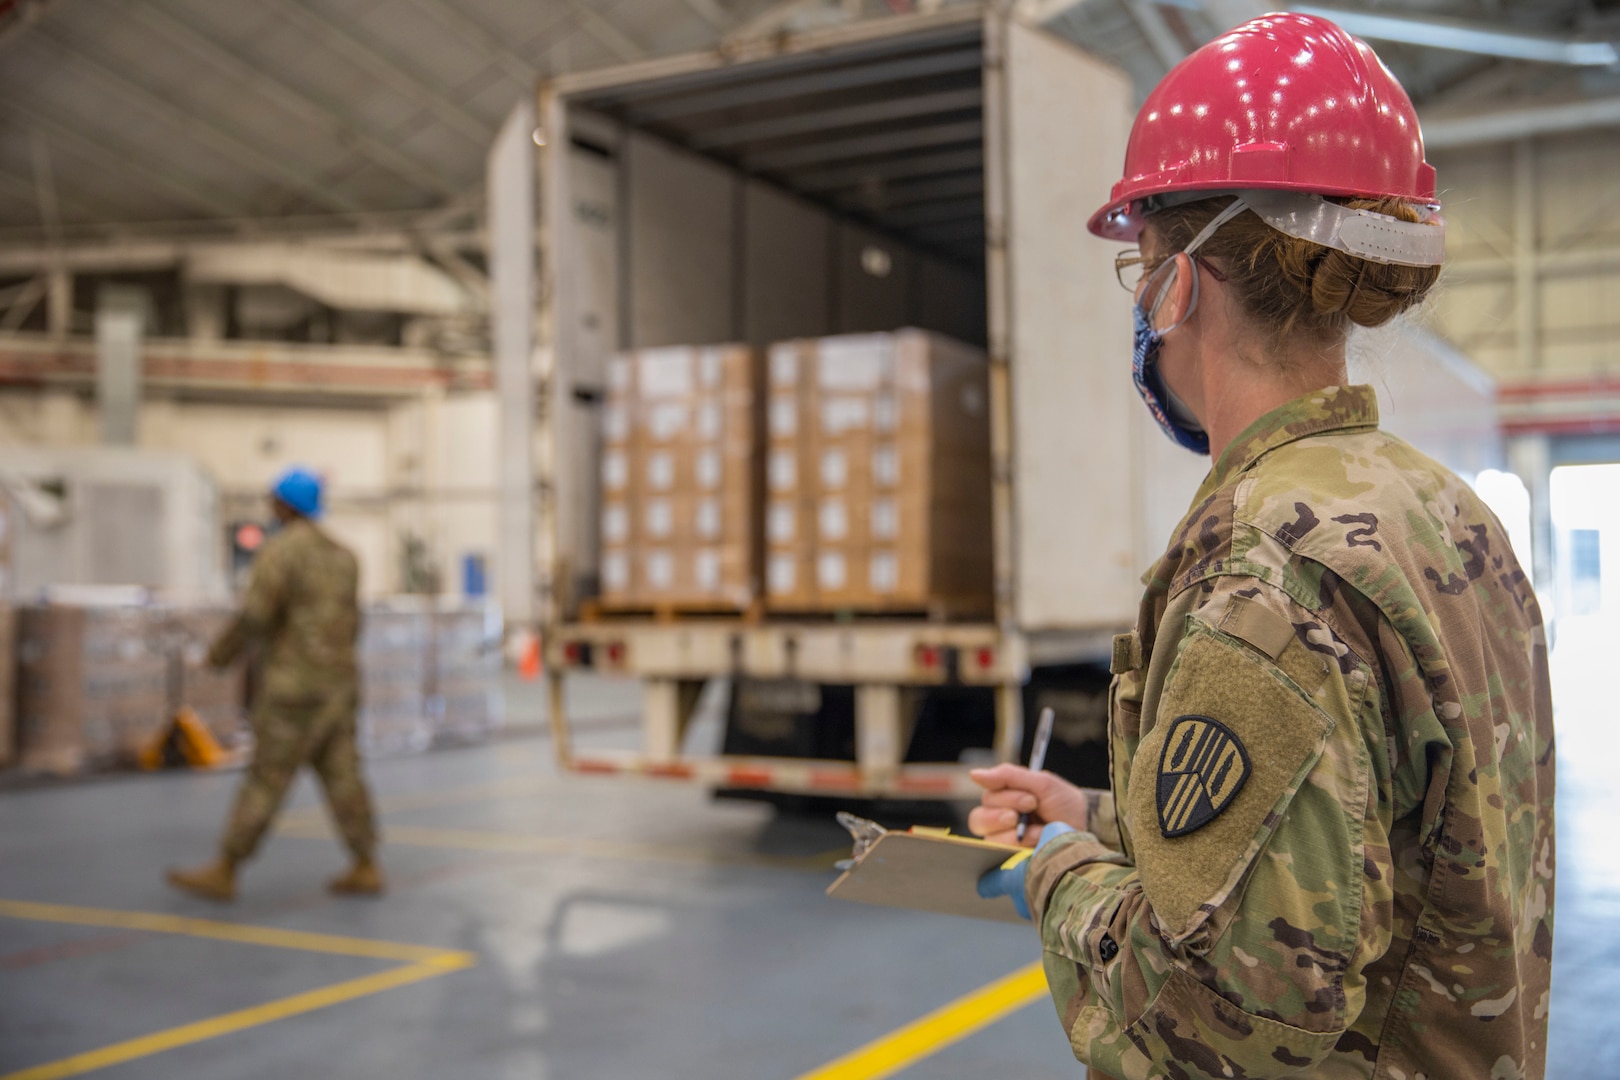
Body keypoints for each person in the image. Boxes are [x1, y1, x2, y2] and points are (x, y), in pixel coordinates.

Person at [972, 13, 1554, 1080]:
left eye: (1140, 273)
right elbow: (1375, 834)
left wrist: (1058, 876)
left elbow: (1223, 1014)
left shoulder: (1265, 569)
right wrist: (1100, 819)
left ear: (1181, 285)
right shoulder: (1446, 511)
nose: (1142, 305)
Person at [168, 467, 384, 901]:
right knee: (344, 776)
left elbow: (256, 616)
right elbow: (353, 622)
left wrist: (218, 656)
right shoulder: (346, 555)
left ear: (285, 504)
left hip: (293, 690)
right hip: (339, 686)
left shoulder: (280, 553)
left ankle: (226, 867)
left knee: (266, 779)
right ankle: (366, 863)